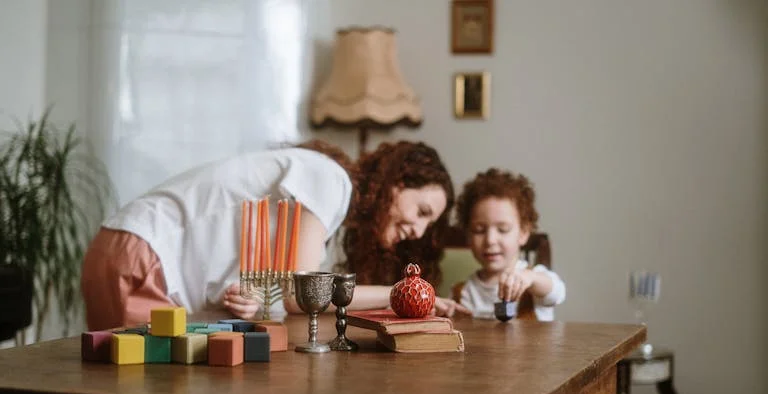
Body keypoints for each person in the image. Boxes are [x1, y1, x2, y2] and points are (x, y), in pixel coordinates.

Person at [82, 140, 466, 330]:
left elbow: (278, 293)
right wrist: (403, 294)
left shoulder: (320, 191)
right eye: (422, 212)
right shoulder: (330, 179)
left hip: (128, 248)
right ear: (395, 184)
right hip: (141, 254)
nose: (417, 230)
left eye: (427, 226)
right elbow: (302, 293)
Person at [452, 168, 565, 320]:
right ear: (468, 235)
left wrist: (530, 278)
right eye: (479, 230)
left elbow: (557, 293)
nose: (490, 240)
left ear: (523, 233)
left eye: (503, 230)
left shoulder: (534, 280)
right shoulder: (462, 292)